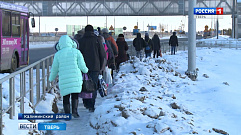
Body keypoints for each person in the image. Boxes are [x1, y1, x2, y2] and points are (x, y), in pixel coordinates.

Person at [49, 35, 88, 118]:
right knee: (75, 96)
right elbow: (82, 65)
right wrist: (85, 70)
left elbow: (54, 68)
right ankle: (75, 112)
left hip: (64, 78)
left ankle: (67, 114)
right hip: (75, 77)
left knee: (66, 97)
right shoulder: (76, 52)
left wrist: (51, 78)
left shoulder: (58, 54)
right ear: (71, 43)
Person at [78, 25, 106, 112]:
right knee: (93, 86)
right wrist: (101, 67)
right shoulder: (97, 40)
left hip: (83, 67)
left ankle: (86, 103)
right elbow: (103, 55)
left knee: (84, 85)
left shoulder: (80, 41)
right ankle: (91, 105)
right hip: (95, 67)